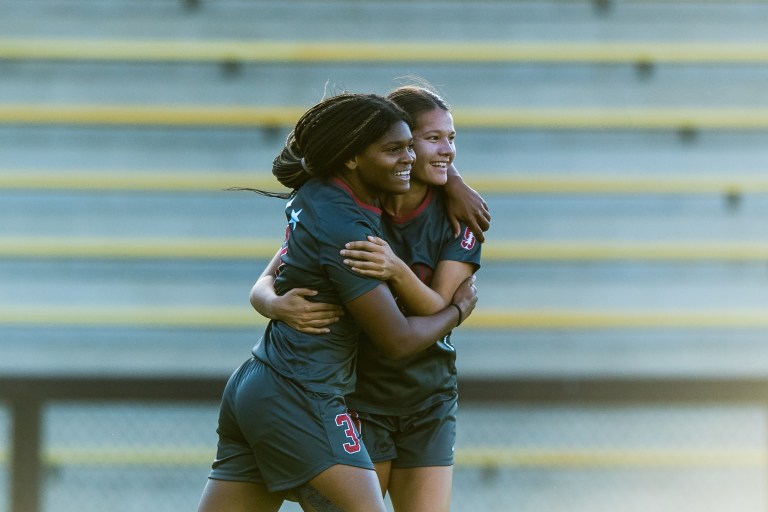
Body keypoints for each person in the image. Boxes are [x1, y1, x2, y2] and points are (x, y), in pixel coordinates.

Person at [197, 92, 478, 512]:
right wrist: (457, 310)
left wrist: (453, 179)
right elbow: (398, 340)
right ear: (352, 157)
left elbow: (272, 273)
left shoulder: (319, 192)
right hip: (302, 394)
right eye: (395, 150)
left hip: (258, 384)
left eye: (408, 147)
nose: (407, 158)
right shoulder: (349, 229)